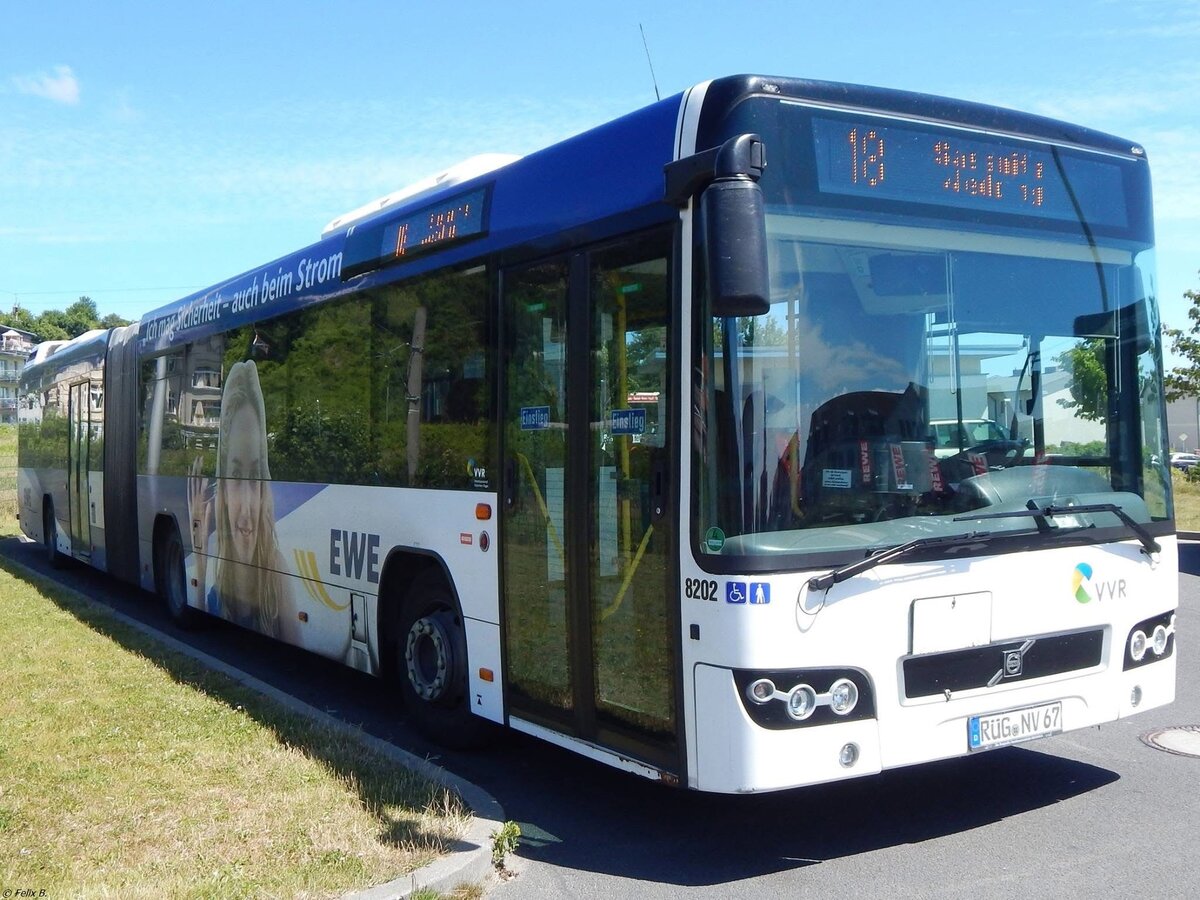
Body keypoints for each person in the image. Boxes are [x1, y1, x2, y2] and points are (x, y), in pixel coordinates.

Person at [188, 359, 291, 639]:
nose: (247, 509)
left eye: (255, 475)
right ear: (221, 485)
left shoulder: (277, 571)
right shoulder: (215, 589)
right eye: (234, 474)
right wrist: (199, 561)